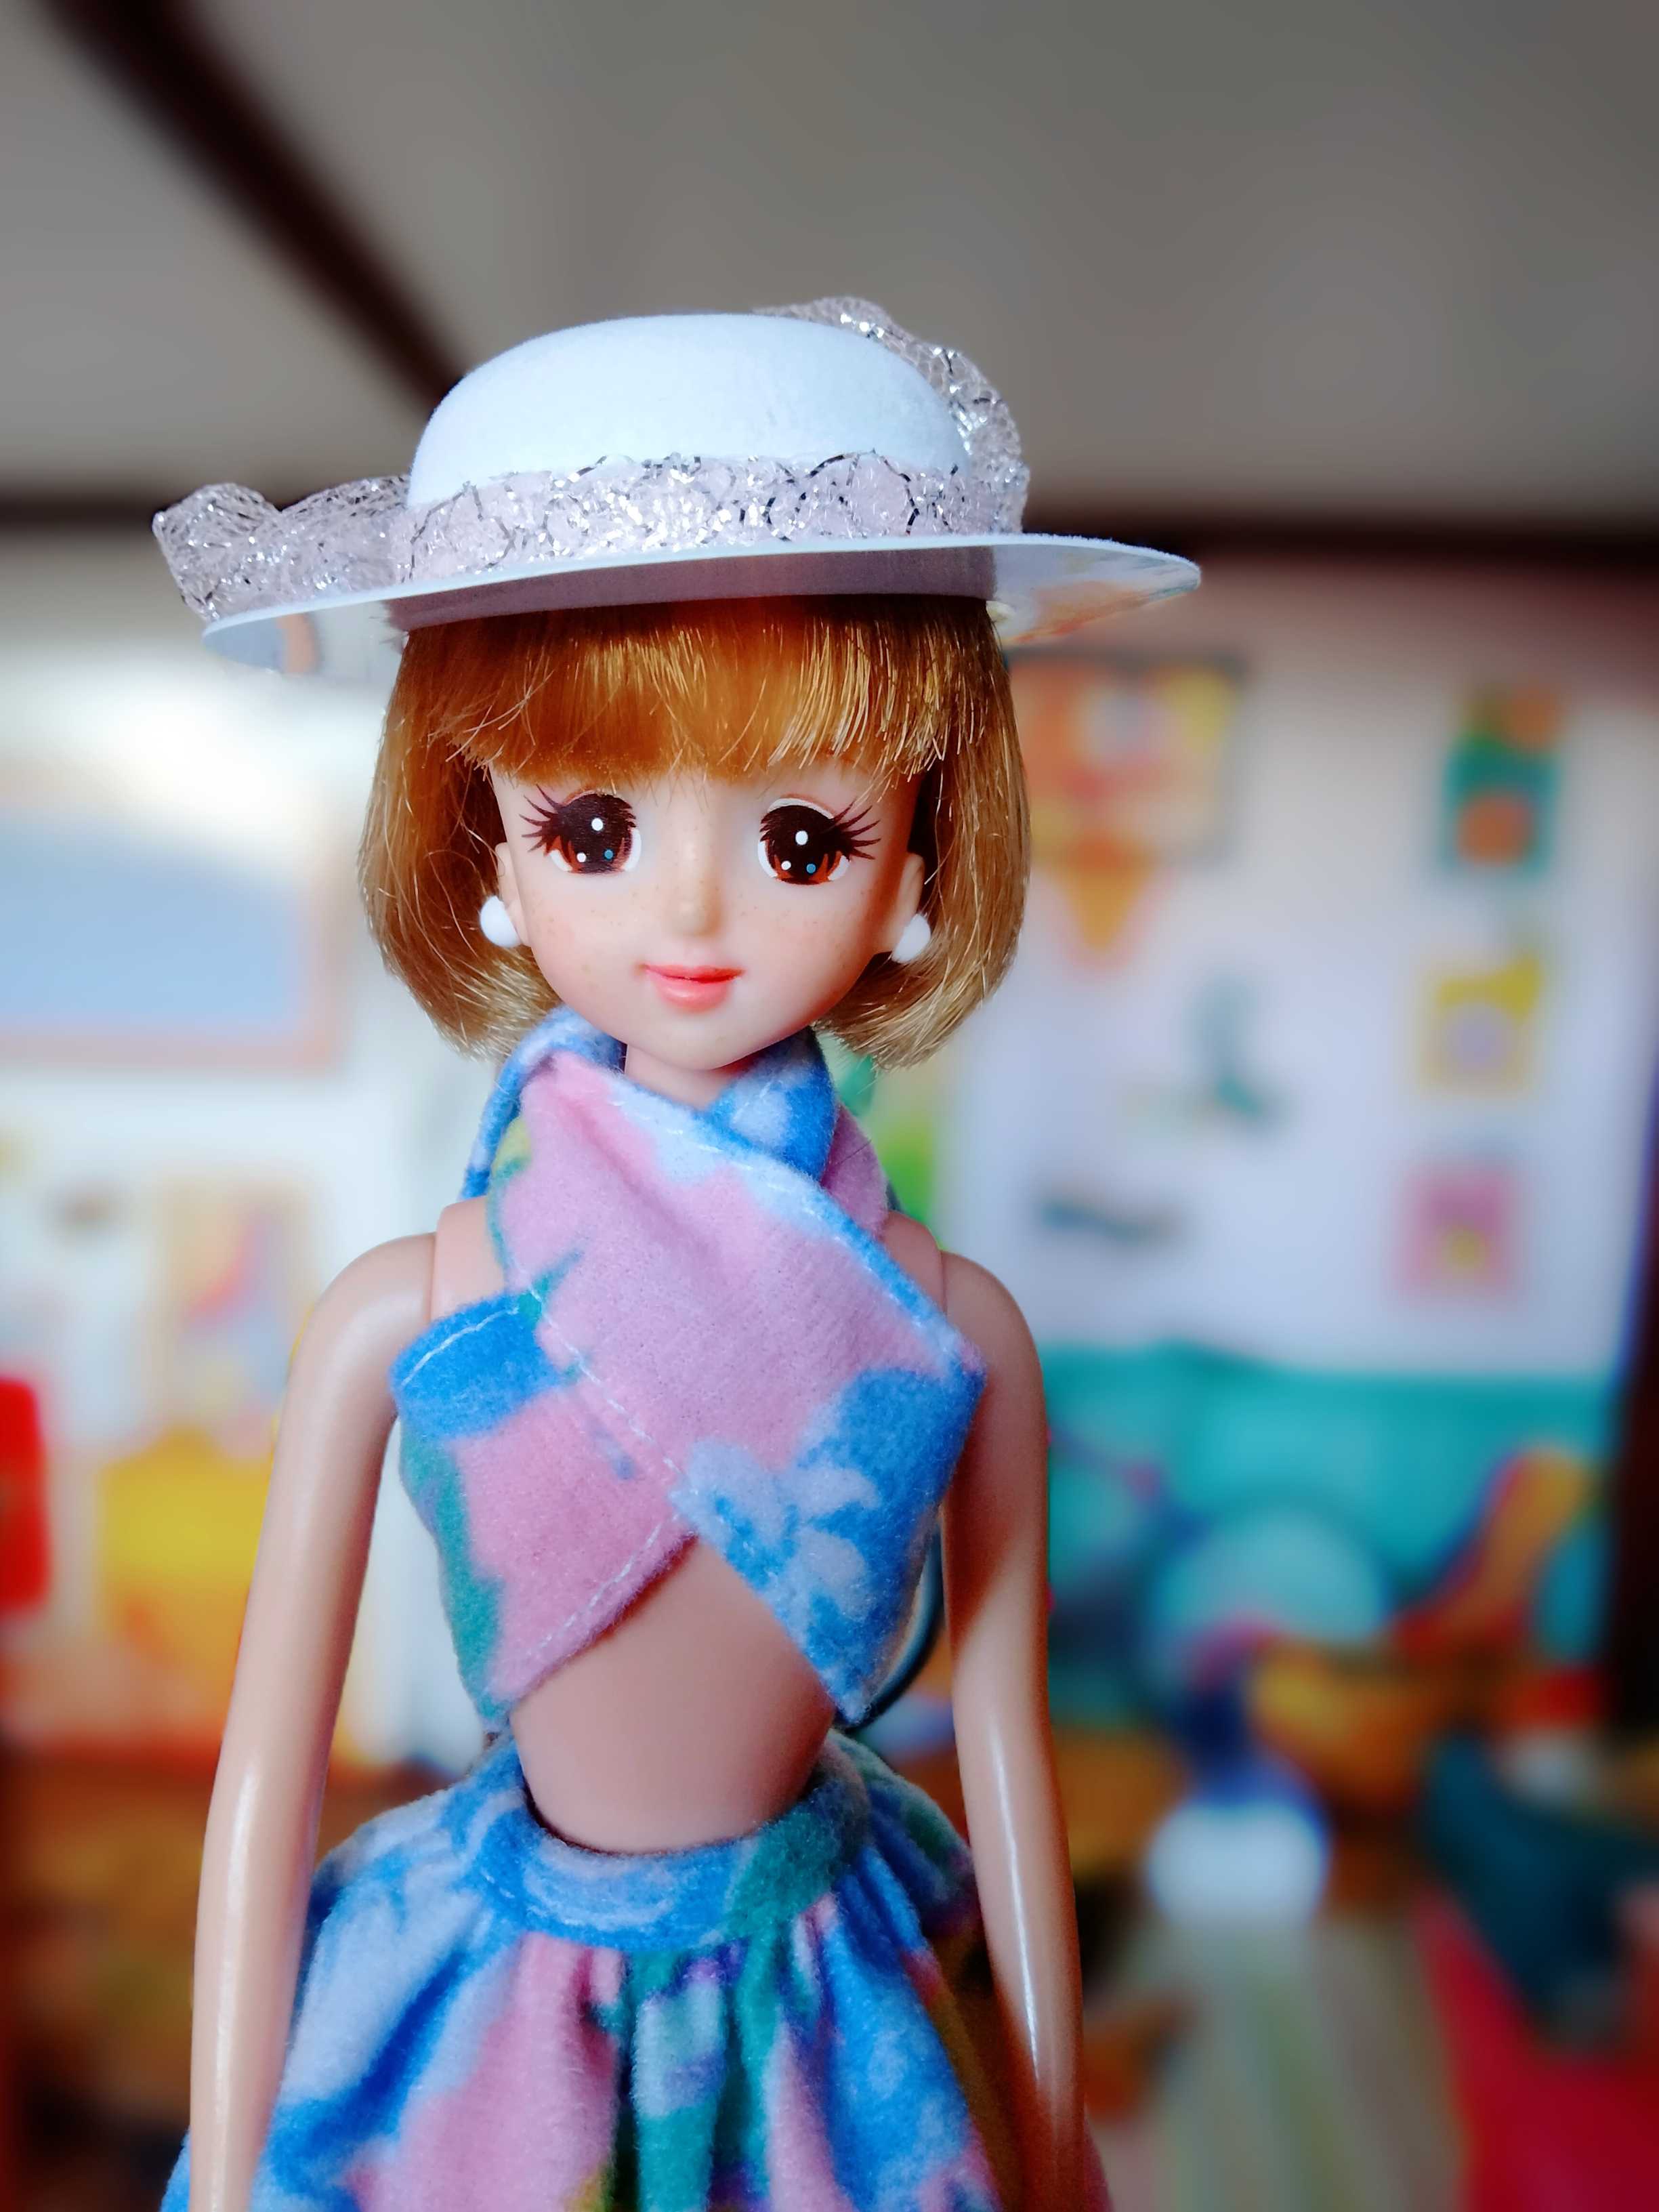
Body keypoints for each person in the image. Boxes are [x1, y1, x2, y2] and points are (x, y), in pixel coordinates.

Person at [153, 298, 1196, 2211]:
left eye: (803, 836)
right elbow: (262, 1782)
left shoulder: (952, 1329)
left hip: (830, 2018)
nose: (694, 909)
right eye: (594, 826)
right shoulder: (406, 1309)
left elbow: (1012, 1770)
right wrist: (226, 2173)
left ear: (916, 857)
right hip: (483, 2008)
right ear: (485, 839)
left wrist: (1052, 2152)